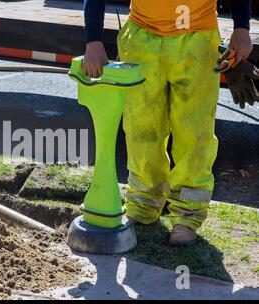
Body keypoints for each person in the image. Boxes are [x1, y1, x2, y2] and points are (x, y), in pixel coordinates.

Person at [82, 0, 254, 245]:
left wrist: (241, 29)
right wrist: (93, 40)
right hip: (142, 38)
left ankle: (187, 215)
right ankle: (143, 203)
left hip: (197, 40)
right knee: (141, 126)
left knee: (194, 131)